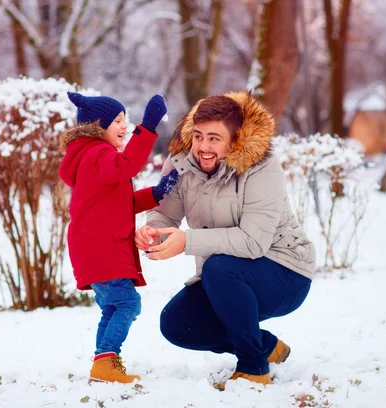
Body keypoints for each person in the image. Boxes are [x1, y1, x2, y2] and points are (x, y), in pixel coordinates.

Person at [135, 91, 315, 388]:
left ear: (235, 139)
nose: (203, 147)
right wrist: (153, 231)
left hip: (285, 272)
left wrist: (187, 242)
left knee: (219, 267)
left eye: (214, 138)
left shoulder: (262, 166)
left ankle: (253, 369)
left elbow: (253, 242)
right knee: (177, 325)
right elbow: (165, 216)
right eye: (198, 136)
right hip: (225, 277)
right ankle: (266, 346)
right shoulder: (181, 164)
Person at [59, 92, 178, 384]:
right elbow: (128, 164)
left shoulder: (91, 158)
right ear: (96, 126)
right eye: (117, 121)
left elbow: (119, 202)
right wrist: (148, 126)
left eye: (126, 120)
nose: (124, 126)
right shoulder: (98, 154)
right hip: (101, 249)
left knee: (113, 306)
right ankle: (107, 360)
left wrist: (157, 193)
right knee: (127, 304)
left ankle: (104, 363)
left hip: (94, 248)